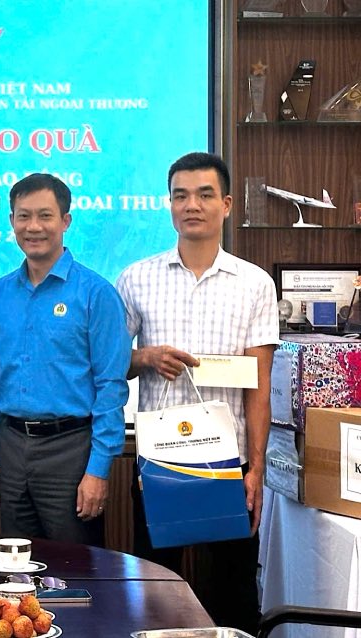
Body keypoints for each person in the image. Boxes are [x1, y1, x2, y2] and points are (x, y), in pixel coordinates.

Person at [115, 152, 277, 632]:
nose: (192, 205)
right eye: (181, 195)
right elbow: (109, 366)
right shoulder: (135, 278)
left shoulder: (254, 283)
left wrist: (257, 467)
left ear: (226, 205)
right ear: (169, 205)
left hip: (228, 463)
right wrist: (145, 358)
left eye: (205, 194)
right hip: (157, 464)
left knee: (233, 589)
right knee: (153, 589)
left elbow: (259, 384)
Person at [0, 173, 131, 546]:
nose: (33, 227)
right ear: (12, 221)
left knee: (75, 574)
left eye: (45, 216)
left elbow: (110, 387)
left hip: (72, 451)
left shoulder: (96, 293)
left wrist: (98, 470)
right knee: (13, 572)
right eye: (23, 216)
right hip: (11, 450)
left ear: (65, 221)